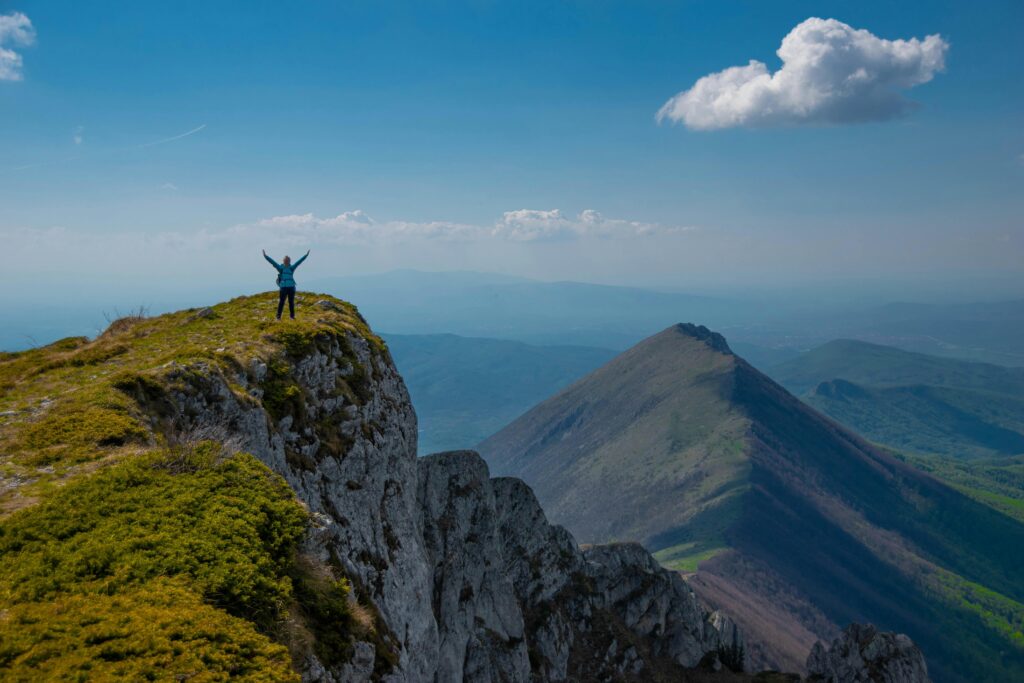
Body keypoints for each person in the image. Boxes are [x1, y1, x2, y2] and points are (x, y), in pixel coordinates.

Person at [263, 249, 310, 320]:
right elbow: (272, 262)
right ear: (283, 261)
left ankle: (292, 316)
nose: (287, 261)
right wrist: (266, 256)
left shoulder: (291, 268)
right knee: (281, 302)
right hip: (283, 288)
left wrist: (306, 256)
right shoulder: (280, 268)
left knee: (291, 302)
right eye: (285, 260)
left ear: (289, 261)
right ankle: (278, 317)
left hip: (291, 287)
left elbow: (299, 262)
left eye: (288, 260)